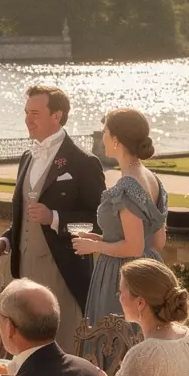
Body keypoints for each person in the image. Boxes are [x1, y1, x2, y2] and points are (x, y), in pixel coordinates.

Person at [0, 86, 106, 353]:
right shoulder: (28, 157)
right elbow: (24, 215)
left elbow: (98, 223)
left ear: (57, 115)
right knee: (20, 348)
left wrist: (55, 218)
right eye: (27, 112)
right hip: (23, 271)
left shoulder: (83, 162)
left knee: (60, 350)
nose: (28, 119)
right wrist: (7, 239)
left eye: (36, 113)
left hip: (61, 271)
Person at [72, 109, 168, 326]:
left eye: (105, 130)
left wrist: (95, 248)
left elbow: (133, 247)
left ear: (115, 139)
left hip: (122, 278)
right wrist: (99, 239)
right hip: (149, 272)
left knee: (113, 344)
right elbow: (156, 242)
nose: (102, 135)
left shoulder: (128, 185)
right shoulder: (153, 179)